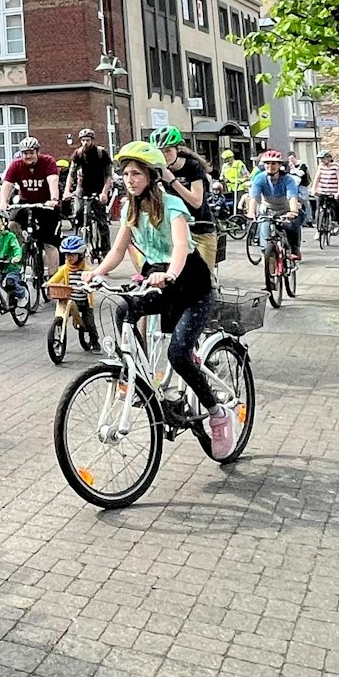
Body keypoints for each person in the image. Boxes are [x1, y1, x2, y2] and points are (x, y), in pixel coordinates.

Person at [87, 141, 239, 455]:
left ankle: (217, 413)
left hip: (192, 287)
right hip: (162, 284)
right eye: (126, 173)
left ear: (153, 175)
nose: (129, 179)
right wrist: (96, 273)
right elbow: (117, 251)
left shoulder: (172, 205)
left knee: (179, 355)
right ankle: (136, 373)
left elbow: (182, 246)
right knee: (122, 310)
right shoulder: (129, 208)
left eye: (136, 173)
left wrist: (170, 273)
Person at [152, 127, 217, 268]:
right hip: (175, 230)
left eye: (168, 151)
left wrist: (172, 181)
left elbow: (196, 202)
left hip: (200, 229)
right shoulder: (158, 170)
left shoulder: (192, 167)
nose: (164, 156)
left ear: (177, 149)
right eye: (160, 152)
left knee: (205, 279)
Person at [0, 136, 62, 281]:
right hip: (25, 202)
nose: (28, 156)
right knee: (12, 223)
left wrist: (53, 199)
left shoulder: (48, 161)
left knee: (49, 243)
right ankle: (23, 248)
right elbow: (7, 184)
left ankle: (53, 280)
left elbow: (52, 179)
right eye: (25, 153)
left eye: (31, 152)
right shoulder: (16, 165)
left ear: (37, 152)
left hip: (45, 204)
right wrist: (3, 202)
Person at [244, 149, 305, 260]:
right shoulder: (260, 178)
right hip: (269, 209)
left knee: (291, 226)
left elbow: (292, 197)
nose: (270, 166)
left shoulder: (287, 179)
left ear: (279, 165)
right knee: (263, 229)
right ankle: (266, 254)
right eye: (267, 163)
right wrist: (251, 212)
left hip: (286, 210)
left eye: (273, 163)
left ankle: (294, 249)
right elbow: (254, 197)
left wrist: (293, 211)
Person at [311, 151, 339, 238]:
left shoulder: (335, 167)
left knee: (338, 214)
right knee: (318, 210)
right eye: (320, 159)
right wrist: (314, 189)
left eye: (323, 158)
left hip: (332, 193)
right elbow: (317, 179)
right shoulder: (320, 167)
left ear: (329, 158)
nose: (321, 161)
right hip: (322, 191)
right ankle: (318, 230)